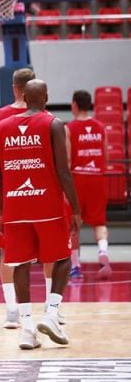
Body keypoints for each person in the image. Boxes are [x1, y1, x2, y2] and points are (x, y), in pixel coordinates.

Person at [0, 79, 80, 350]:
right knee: (63, 257)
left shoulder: (3, 126)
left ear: (23, 96)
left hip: (15, 206)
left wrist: (2, 210)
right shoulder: (53, 123)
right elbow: (63, 171)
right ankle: (52, 314)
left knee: (21, 264)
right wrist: (75, 208)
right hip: (47, 207)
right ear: (46, 97)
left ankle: (27, 329)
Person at [0, 68, 34, 328]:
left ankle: (12, 310)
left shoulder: (0, 116)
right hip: (40, 190)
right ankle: (53, 309)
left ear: (14, 87)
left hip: (10, 191)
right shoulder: (45, 116)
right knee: (50, 252)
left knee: (8, 250)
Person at [65, 90, 111, 279]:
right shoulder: (100, 127)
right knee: (99, 222)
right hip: (98, 178)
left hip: (78, 179)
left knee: (74, 224)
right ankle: (103, 252)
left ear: (74, 105)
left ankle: (76, 267)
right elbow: (106, 157)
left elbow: (67, 160)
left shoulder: (69, 128)